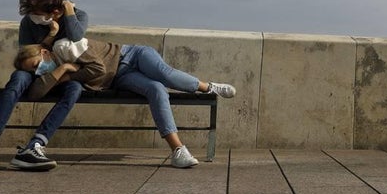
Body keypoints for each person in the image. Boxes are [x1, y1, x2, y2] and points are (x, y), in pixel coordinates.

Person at [14, 39, 236, 168]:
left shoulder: (65, 46)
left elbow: (98, 69)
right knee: (156, 89)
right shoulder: (54, 72)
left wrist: (68, 71)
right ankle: (178, 151)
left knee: (164, 75)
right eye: (32, 71)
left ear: (45, 52)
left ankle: (208, 87)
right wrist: (63, 70)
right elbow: (36, 93)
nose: (37, 71)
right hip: (118, 78)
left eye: (36, 64)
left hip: (132, 55)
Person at [0, 0, 89, 174]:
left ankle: (35, 145)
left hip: (61, 74)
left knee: (75, 88)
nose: (34, 15)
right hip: (33, 72)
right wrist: (51, 35)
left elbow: (76, 36)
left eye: (37, 11)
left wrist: (68, 11)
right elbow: (26, 55)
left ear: (55, 10)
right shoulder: (29, 22)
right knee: (18, 78)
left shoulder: (78, 16)